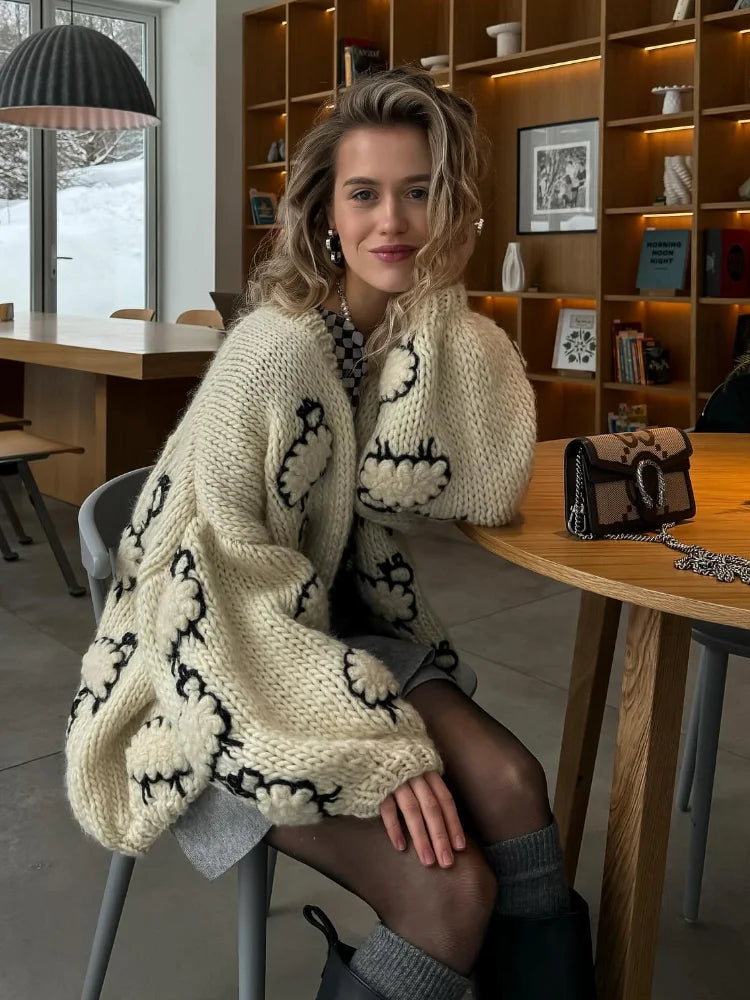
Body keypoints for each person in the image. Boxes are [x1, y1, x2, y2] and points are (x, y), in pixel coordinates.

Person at [65, 67, 596, 999]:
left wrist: (438, 312)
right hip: (205, 668)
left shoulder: (394, 337)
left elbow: (478, 488)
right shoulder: (276, 354)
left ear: (452, 208)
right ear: (326, 213)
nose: (391, 221)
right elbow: (210, 594)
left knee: (513, 782)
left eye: (420, 193)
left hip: (321, 631)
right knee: (452, 889)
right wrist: (363, 741)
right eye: (365, 194)